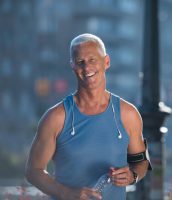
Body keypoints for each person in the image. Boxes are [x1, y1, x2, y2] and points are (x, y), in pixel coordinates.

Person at [25, 33, 151, 200]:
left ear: (106, 62)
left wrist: (132, 176)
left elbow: (141, 162)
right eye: (80, 62)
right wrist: (67, 193)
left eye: (92, 60)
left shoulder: (128, 114)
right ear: (73, 66)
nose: (86, 68)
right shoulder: (56, 117)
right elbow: (33, 171)